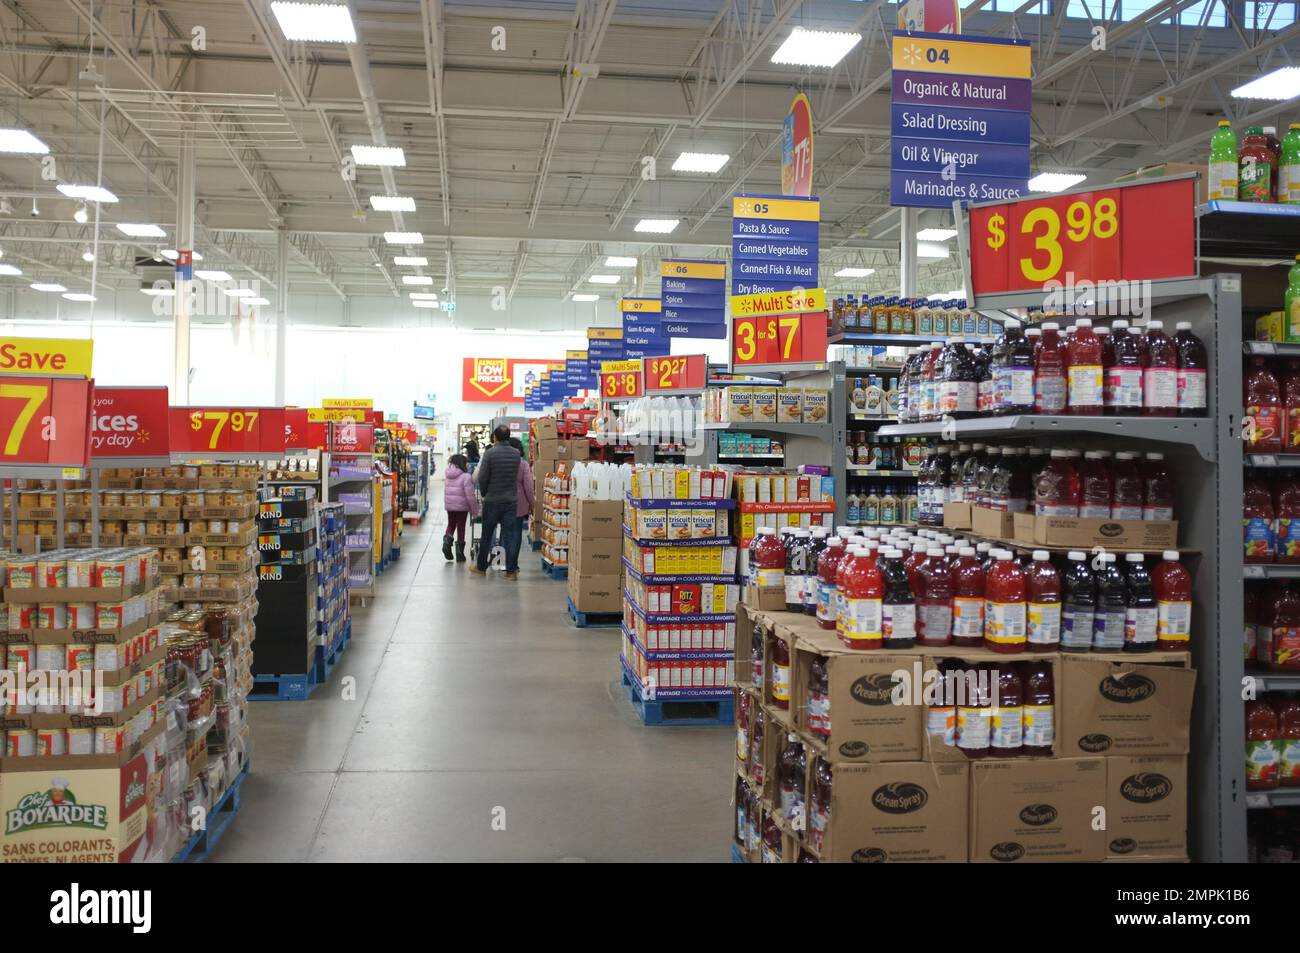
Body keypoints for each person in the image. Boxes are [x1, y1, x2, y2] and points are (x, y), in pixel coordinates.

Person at [469, 425, 521, 578]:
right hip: (510, 500)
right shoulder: (516, 454)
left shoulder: (490, 453)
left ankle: (481, 567)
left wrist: (485, 493)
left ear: (495, 438)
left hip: (492, 500)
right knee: (509, 535)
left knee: (487, 534)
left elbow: (483, 477)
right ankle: (511, 571)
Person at [442, 453, 478, 562]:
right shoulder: (466, 476)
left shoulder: (448, 475)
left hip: (450, 505)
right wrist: (475, 511)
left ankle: (446, 544)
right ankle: (460, 553)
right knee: (461, 527)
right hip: (462, 507)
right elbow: (470, 496)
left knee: (451, 524)